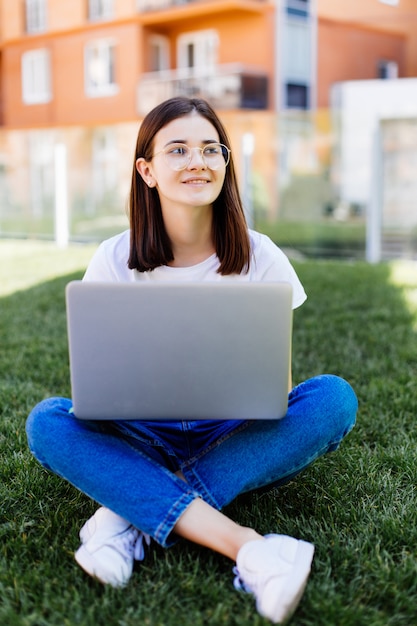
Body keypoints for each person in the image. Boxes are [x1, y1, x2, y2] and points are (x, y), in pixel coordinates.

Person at [26, 97, 358, 624]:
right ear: (147, 170)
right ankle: (249, 546)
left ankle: (125, 513)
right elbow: (98, 382)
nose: (196, 161)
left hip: (231, 430)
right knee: (47, 422)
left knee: (334, 399)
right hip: (141, 431)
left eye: (210, 149)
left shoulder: (261, 255)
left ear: (225, 164)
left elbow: (281, 387)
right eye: (177, 149)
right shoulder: (114, 257)